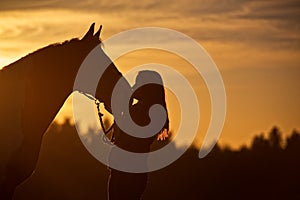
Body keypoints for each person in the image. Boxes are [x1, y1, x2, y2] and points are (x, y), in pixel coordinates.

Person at [108, 70, 169, 200]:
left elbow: (129, 138)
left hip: (129, 173)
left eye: (139, 83)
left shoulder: (151, 112)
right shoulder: (140, 109)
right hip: (123, 171)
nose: (135, 86)